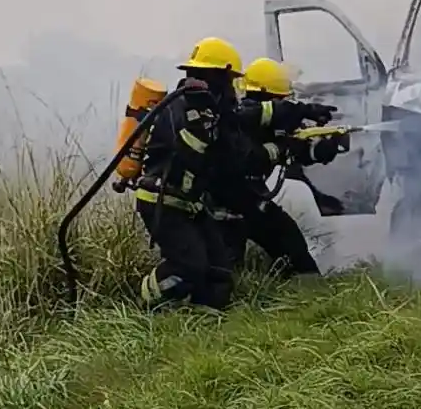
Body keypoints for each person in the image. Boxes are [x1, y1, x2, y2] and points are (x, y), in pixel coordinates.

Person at [134, 37, 332, 312]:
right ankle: (145, 306)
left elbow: (253, 120)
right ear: (215, 75)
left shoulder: (211, 110)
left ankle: (207, 321)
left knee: (219, 270)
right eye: (228, 79)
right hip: (166, 199)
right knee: (189, 267)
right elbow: (233, 156)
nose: (232, 87)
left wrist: (310, 136)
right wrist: (283, 146)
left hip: (191, 202)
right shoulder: (189, 111)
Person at [214, 57, 350, 277]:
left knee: (293, 248)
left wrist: (321, 149)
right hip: (224, 208)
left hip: (251, 201)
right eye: (280, 100)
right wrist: (299, 116)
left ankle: (308, 296)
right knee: (223, 272)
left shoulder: (266, 122)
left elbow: (296, 151)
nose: (283, 105)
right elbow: (253, 155)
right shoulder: (242, 117)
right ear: (267, 96)